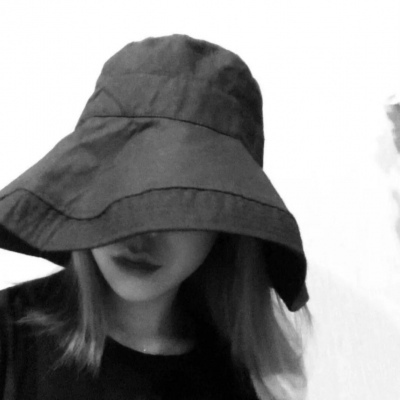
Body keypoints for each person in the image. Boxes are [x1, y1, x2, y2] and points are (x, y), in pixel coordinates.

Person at [0, 34, 312, 400]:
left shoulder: (242, 381)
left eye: (178, 204)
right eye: (122, 189)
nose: (141, 235)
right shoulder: (10, 337)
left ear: (225, 224)